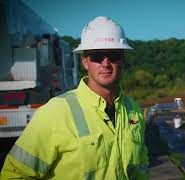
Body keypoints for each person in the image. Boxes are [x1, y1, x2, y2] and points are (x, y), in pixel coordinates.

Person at [0, 16, 149, 180]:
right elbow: (14, 175)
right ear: (85, 61)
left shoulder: (133, 111)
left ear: (123, 60)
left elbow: (140, 169)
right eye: (97, 56)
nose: (105, 63)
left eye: (113, 55)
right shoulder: (55, 113)